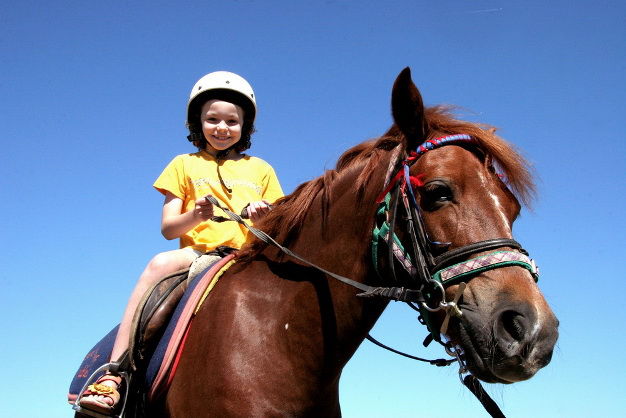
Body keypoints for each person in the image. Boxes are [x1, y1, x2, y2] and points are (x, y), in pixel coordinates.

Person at [78, 71, 284, 415]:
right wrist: (198, 215)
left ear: (244, 126)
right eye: (212, 119)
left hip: (248, 257)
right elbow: (169, 228)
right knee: (159, 264)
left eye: (232, 121)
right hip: (201, 255)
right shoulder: (183, 164)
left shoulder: (261, 169)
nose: (222, 127)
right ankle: (113, 377)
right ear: (198, 122)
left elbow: (277, 223)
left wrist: (264, 215)